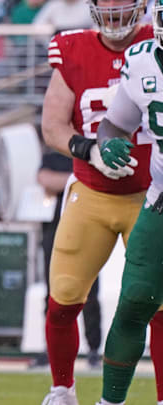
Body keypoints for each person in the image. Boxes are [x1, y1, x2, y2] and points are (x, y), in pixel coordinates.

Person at [38, 0, 163, 403]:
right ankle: (62, 390)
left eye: (122, 11)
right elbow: (53, 125)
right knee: (63, 296)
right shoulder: (75, 48)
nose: (114, 21)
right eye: (106, 11)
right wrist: (89, 148)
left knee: (157, 306)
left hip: (150, 195)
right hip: (93, 191)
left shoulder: (150, 42)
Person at [92, 5, 163, 402]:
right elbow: (115, 123)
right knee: (136, 299)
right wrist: (108, 143)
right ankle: (109, 401)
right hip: (160, 203)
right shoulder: (140, 63)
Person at [33, 150, 102, 369]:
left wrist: (64, 180)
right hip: (55, 230)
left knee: (90, 293)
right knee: (53, 292)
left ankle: (93, 349)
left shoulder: (91, 151)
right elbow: (44, 179)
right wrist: (77, 179)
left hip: (87, 228)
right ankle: (52, 348)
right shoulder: (54, 156)